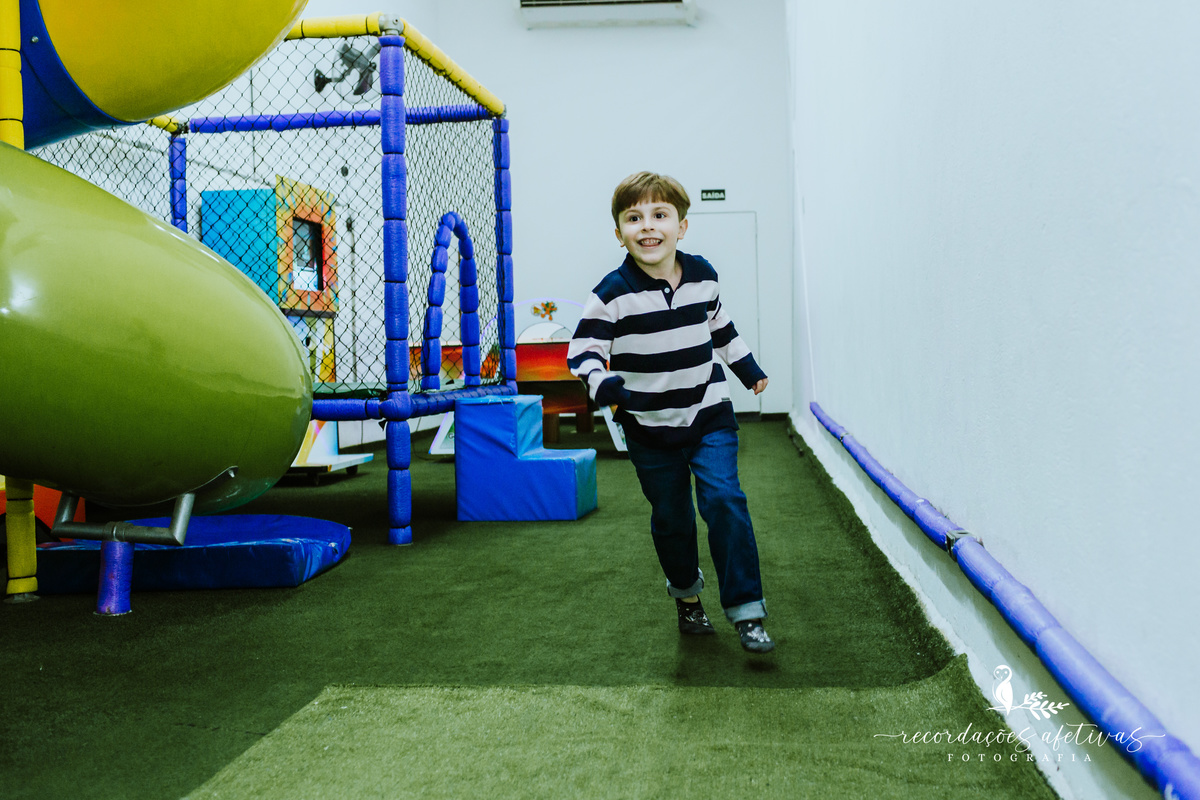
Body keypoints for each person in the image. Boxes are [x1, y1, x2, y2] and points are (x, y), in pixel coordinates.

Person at [567, 171, 774, 653]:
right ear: (619, 233)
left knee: (724, 500)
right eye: (634, 218)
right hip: (648, 426)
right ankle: (686, 596)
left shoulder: (703, 275)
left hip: (707, 411)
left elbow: (720, 327)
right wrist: (603, 383)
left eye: (660, 215)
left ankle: (747, 611)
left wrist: (747, 368)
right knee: (672, 518)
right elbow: (583, 351)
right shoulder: (613, 293)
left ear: (681, 226)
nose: (648, 226)